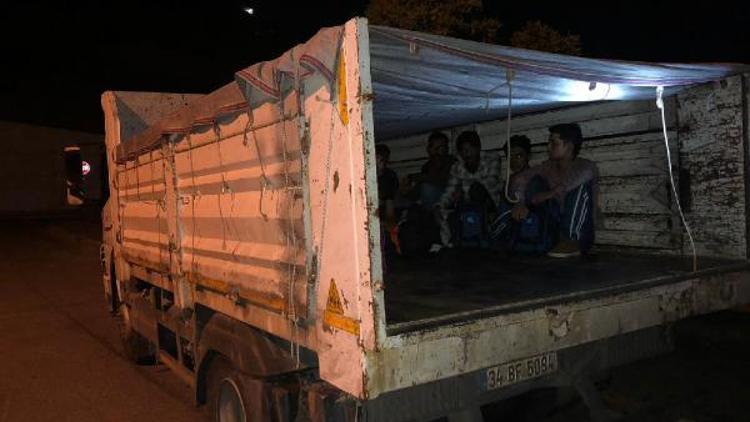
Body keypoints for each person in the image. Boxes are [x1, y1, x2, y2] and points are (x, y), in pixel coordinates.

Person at [495, 123, 598, 258]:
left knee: (581, 187)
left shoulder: (585, 166)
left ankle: (571, 240)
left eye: (553, 143)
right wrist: (521, 201)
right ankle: (502, 233)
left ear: (569, 146)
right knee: (531, 181)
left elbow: (579, 178)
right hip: (554, 228)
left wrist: (550, 193)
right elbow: (521, 178)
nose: (548, 147)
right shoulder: (547, 167)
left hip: (581, 233)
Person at [436, 130, 502, 248]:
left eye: (470, 149)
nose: (467, 153)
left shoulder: (492, 158)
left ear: (478, 148)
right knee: (443, 210)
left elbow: (490, 184)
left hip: (490, 206)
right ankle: (454, 242)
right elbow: (449, 191)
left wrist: (463, 190)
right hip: (468, 207)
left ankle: (486, 233)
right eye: (463, 150)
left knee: (475, 189)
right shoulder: (457, 167)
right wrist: (439, 206)